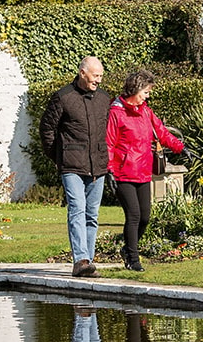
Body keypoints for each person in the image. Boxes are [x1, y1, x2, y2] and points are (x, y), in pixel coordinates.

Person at [106, 69, 187, 272]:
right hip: (122, 173)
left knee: (145, 217)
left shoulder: (145, 111)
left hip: (142, 171)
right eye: (146, 92)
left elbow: (162, 132)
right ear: (136, 89)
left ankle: (127, 249)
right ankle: (133, 259)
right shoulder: (116, 113)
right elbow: (108, 143)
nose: (148, 96)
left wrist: (181, 148)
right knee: (133, 215)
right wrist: (108, 170)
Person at [40, 56, 111, 277]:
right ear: (82, 73)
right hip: (72, 166)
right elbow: (46, 129)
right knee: (77, 210)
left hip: (97, 166)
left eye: (100, 76)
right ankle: (80, 260)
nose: (98, 80)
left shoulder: (104, 99)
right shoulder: (63, 97)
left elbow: (107, 131)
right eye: (95, 75)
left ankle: (87, 262)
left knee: (92, 215)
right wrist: (59, 156)